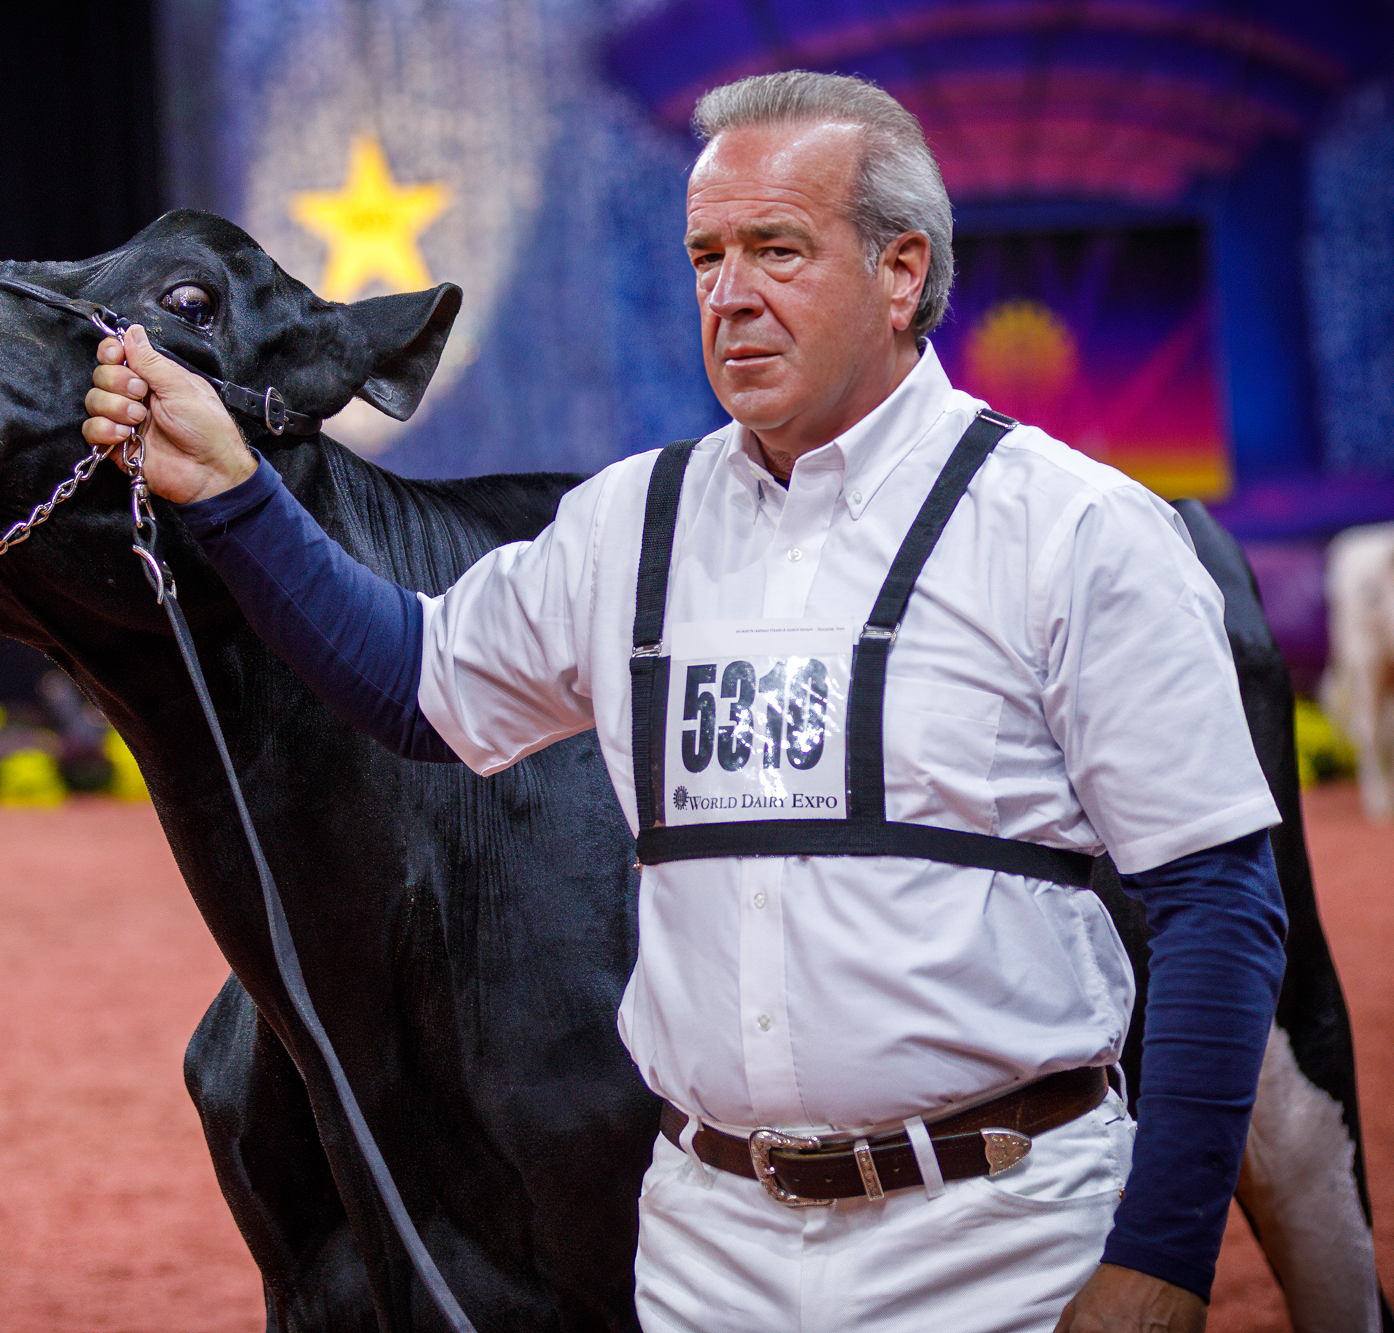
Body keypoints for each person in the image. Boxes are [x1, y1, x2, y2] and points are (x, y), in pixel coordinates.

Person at [84, 72, 1285, 1333]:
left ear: (900, 272)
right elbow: (411, 684)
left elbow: (1217, 904)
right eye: (706, 256)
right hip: (708, 1250)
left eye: (777, 249)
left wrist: (1161, 1259)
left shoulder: (1077, 529)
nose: (729, 293)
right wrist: (230, 489)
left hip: (995, 1242)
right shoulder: (628, 521)